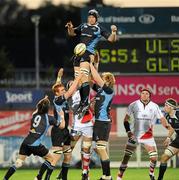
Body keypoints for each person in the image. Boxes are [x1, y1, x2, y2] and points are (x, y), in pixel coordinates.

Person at [65, 9, 118, 117]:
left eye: (93, 17)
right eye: (89, 17)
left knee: (84, 76)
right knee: (78, 80)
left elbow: (111, 39)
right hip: (78, 54)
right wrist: (70, 27)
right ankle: (82, 103)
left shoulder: (100, 28)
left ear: (96, 18)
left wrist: (113, 32)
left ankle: (84, 103)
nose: (91, 18)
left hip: (88, 53)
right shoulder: (83, 26)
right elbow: (72, 33)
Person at [36, 69, 82, 180]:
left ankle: (63, 178)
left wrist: (59, 77)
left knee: (68, 156)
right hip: (58, 131)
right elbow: (70, 91)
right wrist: (78, 78)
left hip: (65, 130)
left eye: (63, 89)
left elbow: (61, 88)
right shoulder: (58, 100)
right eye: (62, 90)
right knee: (55, 157)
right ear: (57, 93)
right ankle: (43, 177)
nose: (64, 91)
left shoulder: (62, 98)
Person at [116, 88, 169, 180]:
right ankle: (119, 176)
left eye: (146, 94)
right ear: (140, 95)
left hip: (148, 136)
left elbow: (162, 119)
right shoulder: (133, 105)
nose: (144, 95)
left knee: (154, 158)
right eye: (142, 93)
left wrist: (168, 127)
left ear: (149, 96)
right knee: (126, 157)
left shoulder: (154, 106)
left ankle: (151, 174)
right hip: (134, 136)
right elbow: (125, 120)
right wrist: (128, 132)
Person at [3, 96, 60, 180]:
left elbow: (38, 107)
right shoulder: (49, 118)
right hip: (35, 144)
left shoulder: (35, 114)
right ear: (48, 108)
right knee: (50, 159)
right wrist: (61, 115)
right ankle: (39, 177)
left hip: (26, 142)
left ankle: (5, 179)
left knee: (18, 163)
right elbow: (61, 125)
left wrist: (43, 100)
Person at [89, 61, 115, 180]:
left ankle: (108, 176)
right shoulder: (101, 90)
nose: (101, 79)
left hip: (103, 123)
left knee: (100, 148)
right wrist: (95, 66)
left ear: (108, 81)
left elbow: (95, 77)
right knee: (97, 148)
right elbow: (90, 80)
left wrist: (90, 64)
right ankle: (105, 174)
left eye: (103, 78)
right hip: (98, 123)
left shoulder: (109, 90)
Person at [158, 98, 179, 180]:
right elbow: (172, 128)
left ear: (171, 107)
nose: (164, 107)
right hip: (178, 139)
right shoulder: (167, 116)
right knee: (164, 157)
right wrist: (168, 137)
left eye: (166, 105)